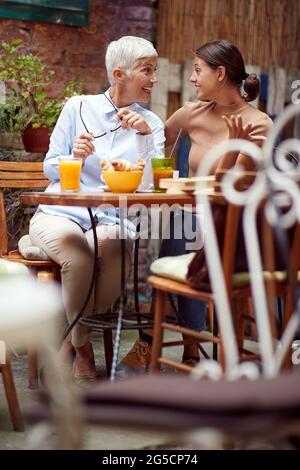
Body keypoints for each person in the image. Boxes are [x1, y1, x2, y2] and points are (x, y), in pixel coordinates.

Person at [118, 39, 273, 375]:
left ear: (220, 73)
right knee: (168, 227)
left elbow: (233, 186)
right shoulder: (192, 112)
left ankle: (171, 343)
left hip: (232, 222)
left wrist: (235, 150)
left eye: (198, 70)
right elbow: (155, 145)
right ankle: (169, 344)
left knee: (183, 228)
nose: (192, 78)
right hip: (191, 216)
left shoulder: (257, 123)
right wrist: (137, 128)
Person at [29, 36, 164, 380]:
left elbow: (151, 185)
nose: (154, 78)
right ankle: (82, 344)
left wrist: (145, 138)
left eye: (155, 70)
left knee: (107, 249)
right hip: (61, 213)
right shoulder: (78, 108)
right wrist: (72, 157)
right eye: (147, 70)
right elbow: (49, 166)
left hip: (113, 217)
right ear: (119, 74)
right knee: (79, 256)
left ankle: (72, 340)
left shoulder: (152, 124)